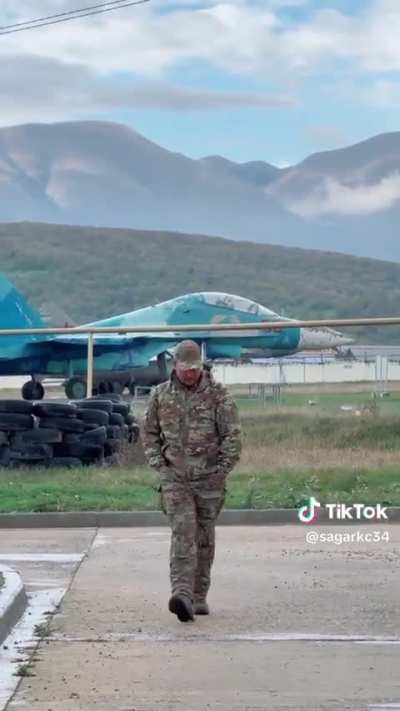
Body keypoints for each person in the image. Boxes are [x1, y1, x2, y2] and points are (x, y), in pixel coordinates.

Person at [142, 340, 242, 622]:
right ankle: (182, 593)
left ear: (201, 366)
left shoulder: (219, 396)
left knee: (203, 537)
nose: (189, 373)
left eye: (194, 368)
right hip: (175, 478)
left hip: (209, 479)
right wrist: (159, 465)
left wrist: (221, 471)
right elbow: (149, 433)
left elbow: (233, 437)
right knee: (183, 533)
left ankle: (199, 596)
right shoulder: (160, 395)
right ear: (175, 365)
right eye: (185, 368)